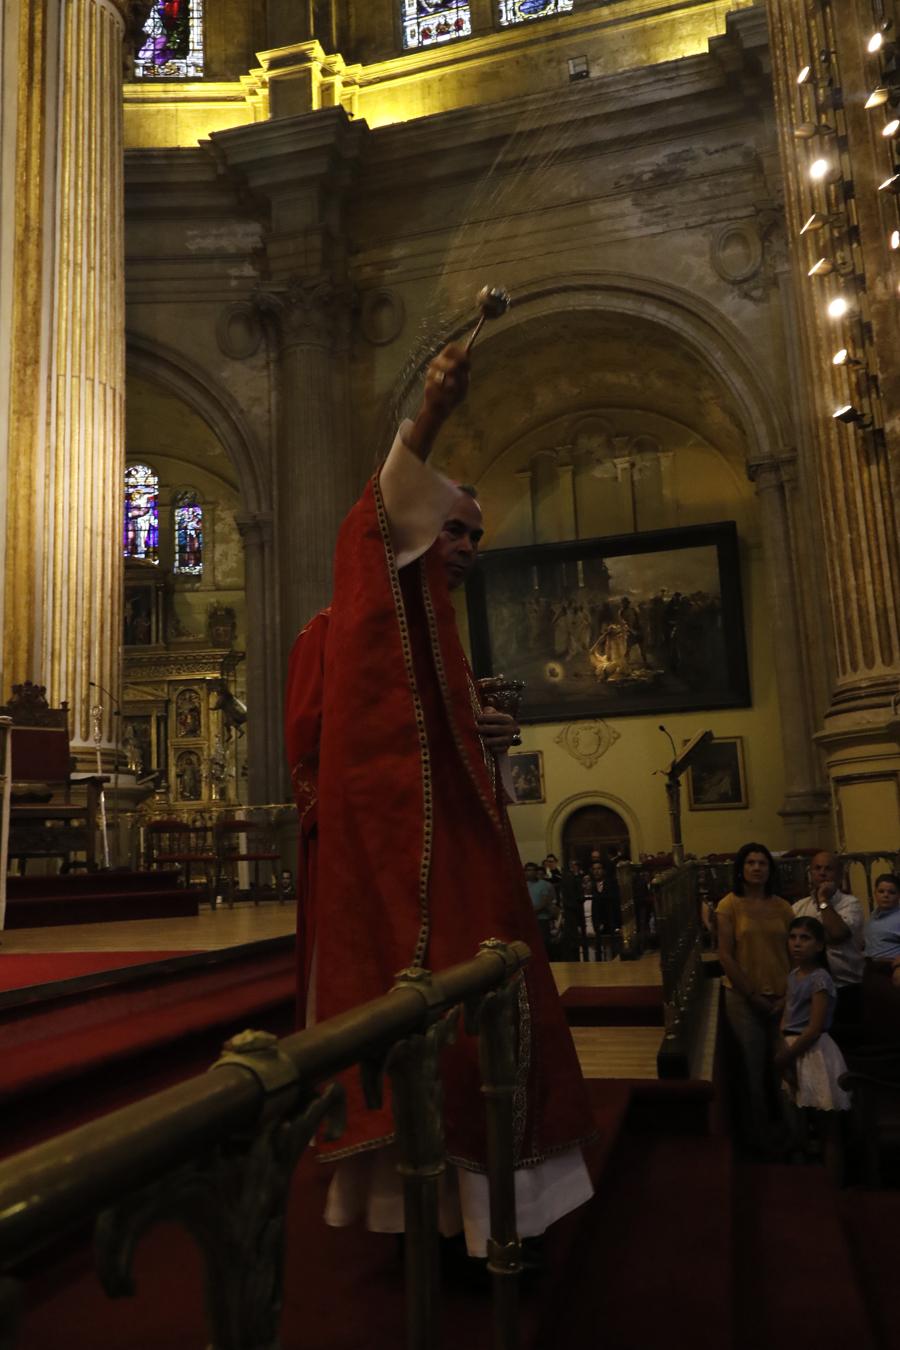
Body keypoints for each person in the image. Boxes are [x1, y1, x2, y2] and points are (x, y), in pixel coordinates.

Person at [285, 342, 594, 1259]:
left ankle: (494, 1214)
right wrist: (428, 417)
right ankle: (447, 1218)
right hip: (398, 857)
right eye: (453, 531)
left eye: (474, 539)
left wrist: (477, 734)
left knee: (492, 1012)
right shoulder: (351, 621)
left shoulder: (442, 635)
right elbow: (377, 520)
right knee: (446, 1030)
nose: (465, 550)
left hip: (462, 847)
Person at [716, 842, 794, 1155]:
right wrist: (751, 993)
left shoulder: (784, 908)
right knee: (751, 1069)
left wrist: (788, 995)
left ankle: (792, 1136)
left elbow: (795, 952)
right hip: (743, 998)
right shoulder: (728, 905)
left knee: (787, 1068)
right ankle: (758, 1139)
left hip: (783, 997)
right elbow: (725, 954)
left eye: (762, 862)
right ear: (741, 868)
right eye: (751, 862)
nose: (757, 868)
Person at [775, 917, 851, 1181]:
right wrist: (782, 1045)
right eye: (793, 937)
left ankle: (834, 1186)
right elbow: (787, 1016)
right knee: (798, 1124)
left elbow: (814, 1027)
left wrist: (785, 1056)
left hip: (815, 1051)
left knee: (827, 1126)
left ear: (819, 946)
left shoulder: (820, 978)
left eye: (805, 938)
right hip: (793, 1048)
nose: (797, 943)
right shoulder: (794, 975)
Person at [792, 851, 864, 1038]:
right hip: (810, 989)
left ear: (839, 875)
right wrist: (824, 936)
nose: (822, 873)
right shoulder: (799, 908)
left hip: (845, 988)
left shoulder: (851, 904)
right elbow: (795, 942)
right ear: (811, 873)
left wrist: (824, 901)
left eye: (828, 869)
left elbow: (838, 933)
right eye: (817, 868)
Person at [863, 873, 900, 985]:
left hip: (892, 970)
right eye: (881, 891)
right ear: (875, 893)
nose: (886, 895)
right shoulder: (874, 914)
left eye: (891, 892)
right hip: (872, 969)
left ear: (898, 895)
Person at [525, 861, 558, 957]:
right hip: (526, 920)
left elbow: (545, 902)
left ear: (536, 872)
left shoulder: (545, 885)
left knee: (543, 944)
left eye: (531, 870)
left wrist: (532, 912)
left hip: (542, 919)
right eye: (527, 870)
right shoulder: (521, 884)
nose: (529, 872)